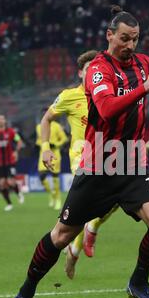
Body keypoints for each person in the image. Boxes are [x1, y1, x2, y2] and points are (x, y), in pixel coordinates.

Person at [2, 5, 149, 298]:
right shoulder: (98, 69)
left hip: (132, 167)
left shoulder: (141, 63)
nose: (131, 45)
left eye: (136, 39)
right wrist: (144, 89)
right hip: (98, 167)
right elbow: (107, 107)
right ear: (109, 35)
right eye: (125, 39)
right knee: (59, 237)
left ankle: (139, 282)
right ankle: (25, 291)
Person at [40, 50, 118, 278]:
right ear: (81, 73)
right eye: (88, 70)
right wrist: (45, 148)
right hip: (81, 156)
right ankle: (79, 241)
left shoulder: (109, 94)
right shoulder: (69, 96)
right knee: (91, 203)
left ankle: (78, 244)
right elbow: (47, 119)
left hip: (111, 155)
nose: (94, 73)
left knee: (114, 201)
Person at [0, 114, 24, 211]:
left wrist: (16, 152)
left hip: (10, 161)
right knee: (2, 183)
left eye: (2, 119)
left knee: (11, 181)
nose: (0, 121)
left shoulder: (11, 132)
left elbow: (19, 141)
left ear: (5, 121)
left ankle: (19, 193)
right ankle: (9, 204)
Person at [36, 112, 68, 210]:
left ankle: (58, 199)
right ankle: (52, 194)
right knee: (42, 176)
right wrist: (37, 143)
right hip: (44, 153)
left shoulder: (57, 126)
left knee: (55, 176)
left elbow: (64, 139)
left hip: (55, 154)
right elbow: (39, 139)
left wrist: (56, 144)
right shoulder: (39, 126)